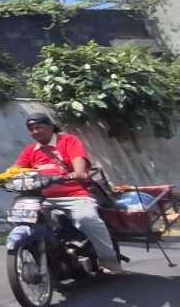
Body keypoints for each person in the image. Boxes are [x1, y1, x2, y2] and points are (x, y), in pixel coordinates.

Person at [12, 113, 123, 274]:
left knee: (87, 219)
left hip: (73, 195)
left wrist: (78, 172)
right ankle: (47, 256)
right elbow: (17, 169)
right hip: (41, 198)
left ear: (51, 127)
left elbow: (78, 158)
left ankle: (109, 259)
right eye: (32, 129)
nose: (35, 132)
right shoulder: (30, 151)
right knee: (23, 218)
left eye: (39, 127)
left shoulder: (68, 141)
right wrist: (3, 178)